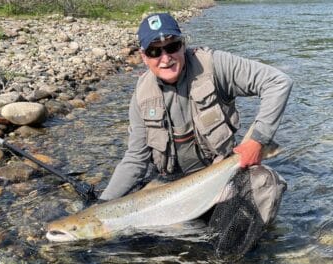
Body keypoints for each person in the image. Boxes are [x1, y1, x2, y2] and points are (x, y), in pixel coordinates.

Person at [99, 13, 292, 225]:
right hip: (171, 187)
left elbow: (277, 82)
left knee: (265, 184)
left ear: (183, 45)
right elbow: (135, 159)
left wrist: (257, 140)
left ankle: (247, 254)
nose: (166, 58)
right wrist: (103, 204)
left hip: (222, 175)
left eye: (172, 47)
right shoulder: (141, 97)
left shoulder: (214, 65)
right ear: (144, 57)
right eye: (155, 51)